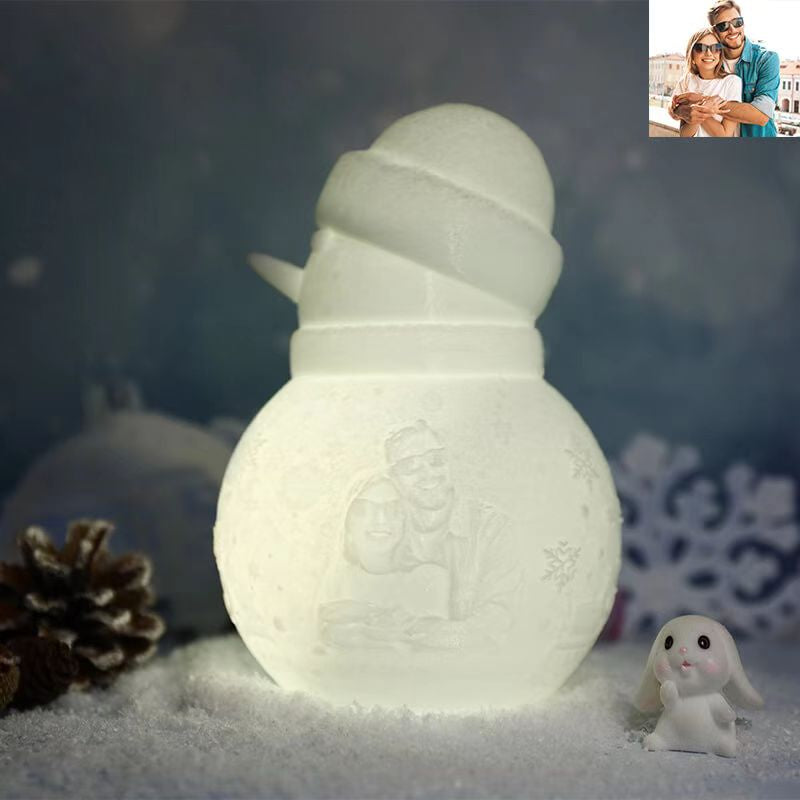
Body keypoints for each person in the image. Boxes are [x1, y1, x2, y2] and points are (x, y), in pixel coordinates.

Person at [671, 2, 779, 137]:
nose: (732, 30)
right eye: (723, 26)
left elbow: (761, 116)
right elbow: (675, 107)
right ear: (715, 31)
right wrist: (678, 108)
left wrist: (700, 101)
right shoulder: (711, 61)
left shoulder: (766, 59)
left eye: (737, 22)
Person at [673, 29, 741, 137]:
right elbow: (684, 134)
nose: (709, 53)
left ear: (720, 54)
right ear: (692, 54)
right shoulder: (686, 81)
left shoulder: (732, 82)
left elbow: (725, 135)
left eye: (715, 48)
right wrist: (704, 108)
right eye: (700, 48)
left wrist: (698, 107)